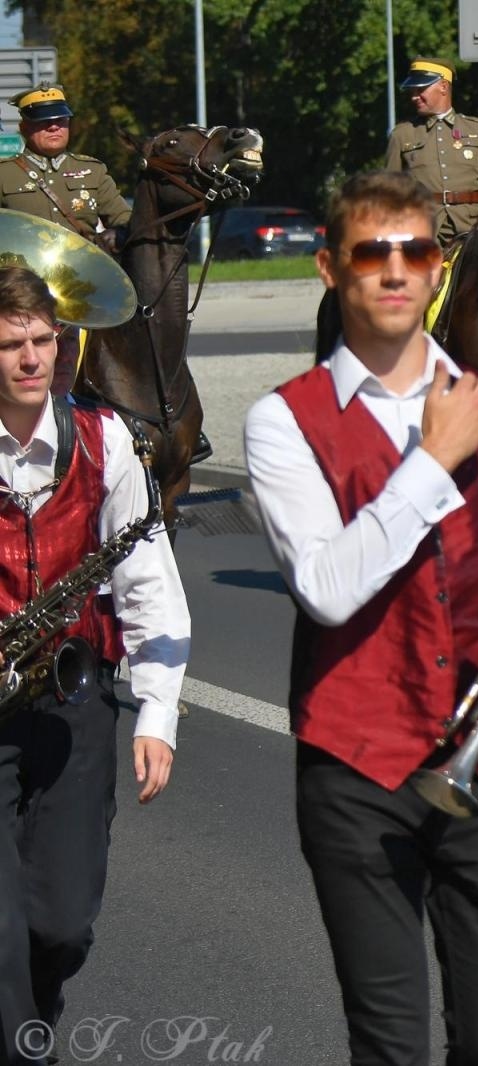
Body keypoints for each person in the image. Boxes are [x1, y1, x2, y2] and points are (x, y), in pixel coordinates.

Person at [243, 170, 478, 1065]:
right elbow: (327, 588)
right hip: (355, 769)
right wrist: (432, 460)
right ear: (330, 269)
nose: (394, 271)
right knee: (389, 1043)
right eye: (371, 252)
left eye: (414, 252)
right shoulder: (283, 421)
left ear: (437, 271)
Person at [0, 265, 186, 1065]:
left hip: (73, 699)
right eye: (11, 344)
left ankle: (30, 1016)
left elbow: (148, 581)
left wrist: (158, 713)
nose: (31, 359)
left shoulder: (105, 440)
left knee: (62, 926)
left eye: (43, 341)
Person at [384, 57, 478, 246]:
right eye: (412, 91)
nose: (414, 97)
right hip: (423, 233)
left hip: (472, 230)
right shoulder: (403, 134)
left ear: (443, 86)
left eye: (420, 90)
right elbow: (390, 191)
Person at [0, 85, 131, 248]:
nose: (54, 127)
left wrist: (116, 236)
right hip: (22, 269)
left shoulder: (93, 171)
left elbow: (125, 221)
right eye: (43, 121)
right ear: (23, 128)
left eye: (60, 120)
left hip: (83, 270)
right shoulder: (4, 173)